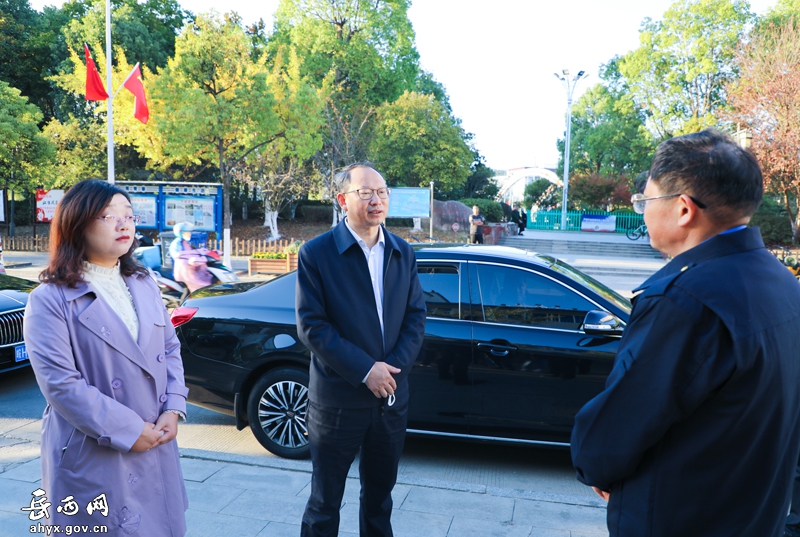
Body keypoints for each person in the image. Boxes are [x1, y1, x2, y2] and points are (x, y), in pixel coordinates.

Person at [570, 129, 800, 537]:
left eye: (644, 200)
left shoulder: (685, 300)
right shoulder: (784, 285)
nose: (641, 211)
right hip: (755, 515)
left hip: (682, 516)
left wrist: (596, 466)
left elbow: (619, 425)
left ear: (683, 209)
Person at [23, 180, 189, 535]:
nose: (124, 224)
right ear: (77, 224)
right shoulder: (50, 299)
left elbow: (169, 348)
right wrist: (129, 430)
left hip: (155, 443)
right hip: (95, 449)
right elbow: (61, 385)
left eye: (129, 216)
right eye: (107, 216)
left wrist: (174, 407)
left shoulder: (143, 282)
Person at [296, 162, 426, 537]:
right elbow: (312, 327)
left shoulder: (402, 252)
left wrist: (390, 373)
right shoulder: (317, 254)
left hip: (390, 399)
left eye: (382, 192)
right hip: (337, 402)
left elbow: (416, 318)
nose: (376, 199)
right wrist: (368, 370)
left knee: (379, 504)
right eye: (365, 192)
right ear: (342, 199)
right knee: (324, 505)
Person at [169, 221, 212, 293]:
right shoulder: (176, 244)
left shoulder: (186, 242)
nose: (189, 234)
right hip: (182, 271)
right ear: (180, 232)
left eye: (189, 232)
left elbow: (193, 253)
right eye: (187, 232)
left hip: (190, 269)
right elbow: (181, 258)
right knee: (198, 285)